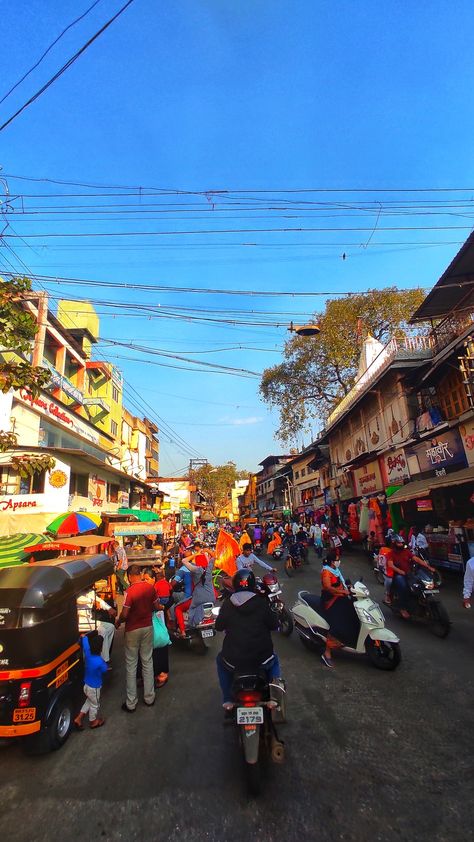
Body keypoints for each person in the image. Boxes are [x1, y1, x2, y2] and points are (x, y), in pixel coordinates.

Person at [215, 569, 282, 711]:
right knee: (274, 660)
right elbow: (275, 625)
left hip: (233, 659)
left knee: (220, 661)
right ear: (252, 584)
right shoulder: (262, 603)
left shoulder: (227, 604)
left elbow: (219, 626)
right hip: (261, 657)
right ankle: (273, 697)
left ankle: (227, 700)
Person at [115, 564, 162, 712]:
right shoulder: (150, 588)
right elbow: (156, 606)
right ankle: (149, 697)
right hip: (147, 627)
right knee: (147, 661)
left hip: (132, 630)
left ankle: (131, 703)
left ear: (129, 576)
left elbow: (125, 614)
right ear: (140, 574)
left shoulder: (130, 591)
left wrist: (118, 620)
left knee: (131, 665)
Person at [319, 550, 354, 668]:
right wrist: (342, 591)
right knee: (337, 624)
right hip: (330, 601)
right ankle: (327, 653)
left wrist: (348, 587)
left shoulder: (336, 570)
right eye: (337, 560)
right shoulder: (326, 572)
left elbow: (342, 583)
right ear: (332, 562)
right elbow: (328, 587)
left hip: (340, 597)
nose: (339, 561)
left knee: (353, 613)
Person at [388, 534, 435, 619]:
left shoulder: (406, 551)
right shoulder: (391, 553)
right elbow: (390, 565)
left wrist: (428, 567)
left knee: (420, 585)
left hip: (409, 573)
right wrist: (400, 571)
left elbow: (416, 559)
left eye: (402, 543)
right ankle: (403, 608)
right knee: (404, 588)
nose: (401, 544)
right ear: (394, 543)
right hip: (398, 575)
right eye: (399, 543)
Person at [74, 634, 108, 730]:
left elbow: (85, 643)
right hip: (94, 688)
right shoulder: (100, 662)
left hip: (86, 685)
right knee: (95, 704)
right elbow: (104, 670)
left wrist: (84, 637)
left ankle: (78, 719)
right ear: (100, 649)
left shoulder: (88, 653)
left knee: (89, 701)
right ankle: (93, 722)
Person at [77, 588, 116, 664]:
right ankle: (104, 660)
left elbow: (100, 601)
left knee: (110, 627)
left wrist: (109, 608)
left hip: (89, 620)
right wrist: (92, 601)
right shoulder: (77, 591)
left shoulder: (90, 592)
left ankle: (104, 654)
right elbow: (78, 599)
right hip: (80, 621)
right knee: (102, 630)